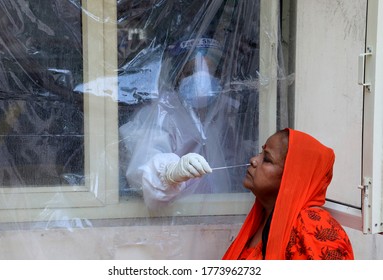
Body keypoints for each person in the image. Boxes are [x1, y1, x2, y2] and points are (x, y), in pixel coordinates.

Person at [119, 37, 255, 210]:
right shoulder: (159, 113)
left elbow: (234, 164)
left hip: (222, 213)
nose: (201, 81)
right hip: (179, 219)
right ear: (176, 75)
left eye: (210, 72)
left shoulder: (221, 115)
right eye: (191, 72)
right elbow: (143, 167)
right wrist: (170, 172)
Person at [223, 128, 354, 260]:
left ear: (292, 177)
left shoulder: (311, 228)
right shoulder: (261, 217)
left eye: (267, 159)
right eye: (259, 153)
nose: (253, 160)